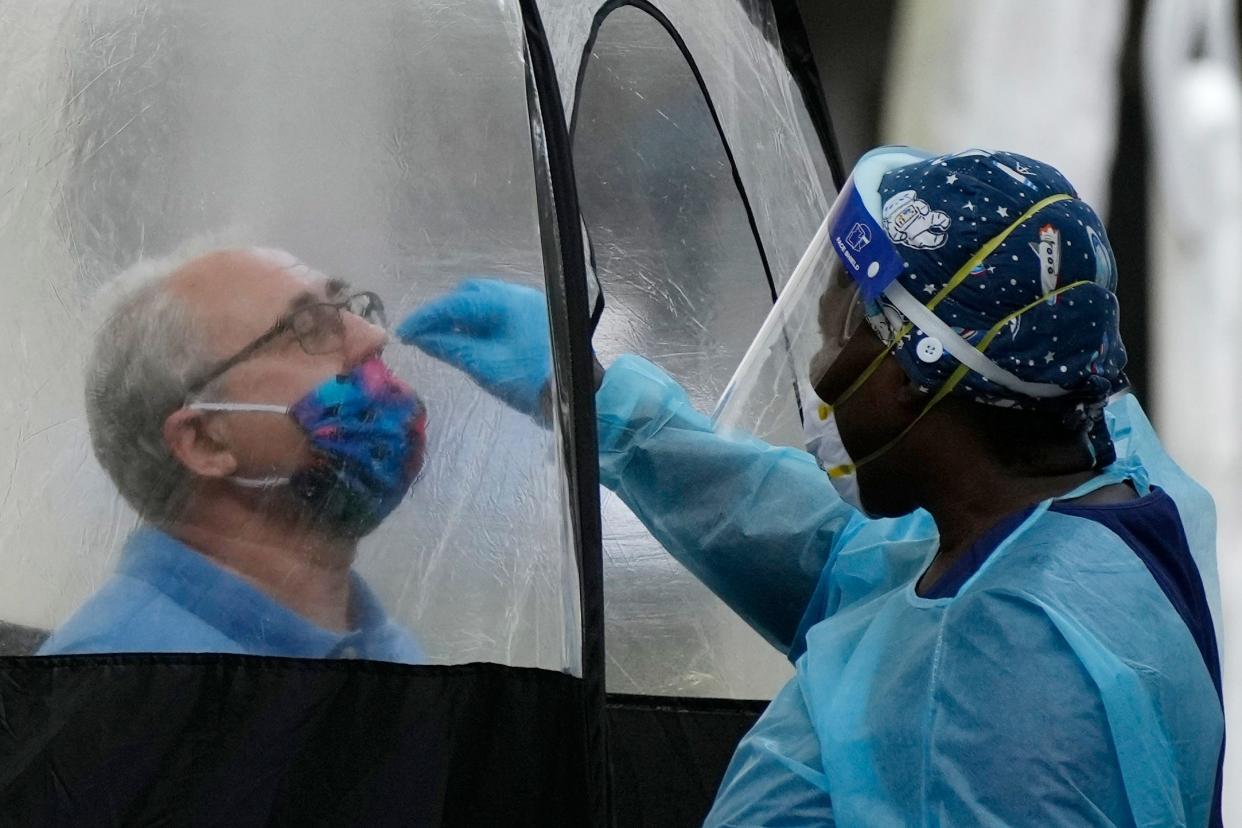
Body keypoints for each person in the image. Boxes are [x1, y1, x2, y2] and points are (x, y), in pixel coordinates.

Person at [400, 148, 1225, 824]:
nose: (824, 373)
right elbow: (843, 564)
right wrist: (599, 400)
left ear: (913, 374)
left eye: (838, 330)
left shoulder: (1008, 673)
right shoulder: (1070, 516)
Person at [39, 247, 427, 662]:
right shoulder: (121, 681)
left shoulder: (384, 649)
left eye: (350, 308)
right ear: (205, 440)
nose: (373, 337)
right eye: (310, 327)